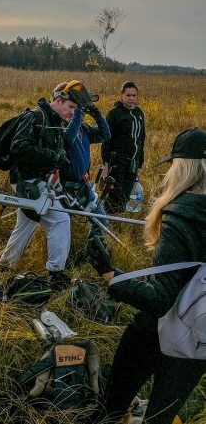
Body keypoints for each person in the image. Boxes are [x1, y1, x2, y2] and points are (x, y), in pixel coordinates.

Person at [86, 128, 206, 424]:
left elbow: (159, 299)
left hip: (154, 333)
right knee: (160, 418)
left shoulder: (179, 220)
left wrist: (110, 274)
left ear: (184, 169)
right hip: (198, 343)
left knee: (111, 408)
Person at [0, 80, 86, 290]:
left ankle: (5, 266)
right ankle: (56, 274)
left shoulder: (55, 121)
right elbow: (19, 147)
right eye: (71, 107)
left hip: (37, 181)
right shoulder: (35, 117)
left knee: (26, 224)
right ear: (58, 100)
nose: (73, 113)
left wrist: (58, 157)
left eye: (75, 109)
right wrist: (51, 155)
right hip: (26, 181)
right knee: (60, 220)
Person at [60, 101, 110, 244]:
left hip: (83, 186)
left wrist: (97, 114)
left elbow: (105, 135)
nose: (79, 114)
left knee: (101, 220)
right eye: (73, 109)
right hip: (63, 188)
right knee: (62, 226)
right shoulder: (60, 128)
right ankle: (66, 256)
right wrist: (77, 114)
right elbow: (69, 138)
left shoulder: (84, 128)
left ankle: (94, 250)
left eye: (80, 111)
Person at [101, 81, 147, 213]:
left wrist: (140, 160)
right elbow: (107, 140)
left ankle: (118, 219)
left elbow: (141, 137)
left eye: (134, 95)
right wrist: (106, 163)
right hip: (117, 161)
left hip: (133, 161)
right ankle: (107, 220)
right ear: (122, 95)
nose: (131, 98)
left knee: (126, 193)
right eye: (128, 95)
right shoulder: (115, 113)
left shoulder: (139, 113)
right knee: (115, 192)